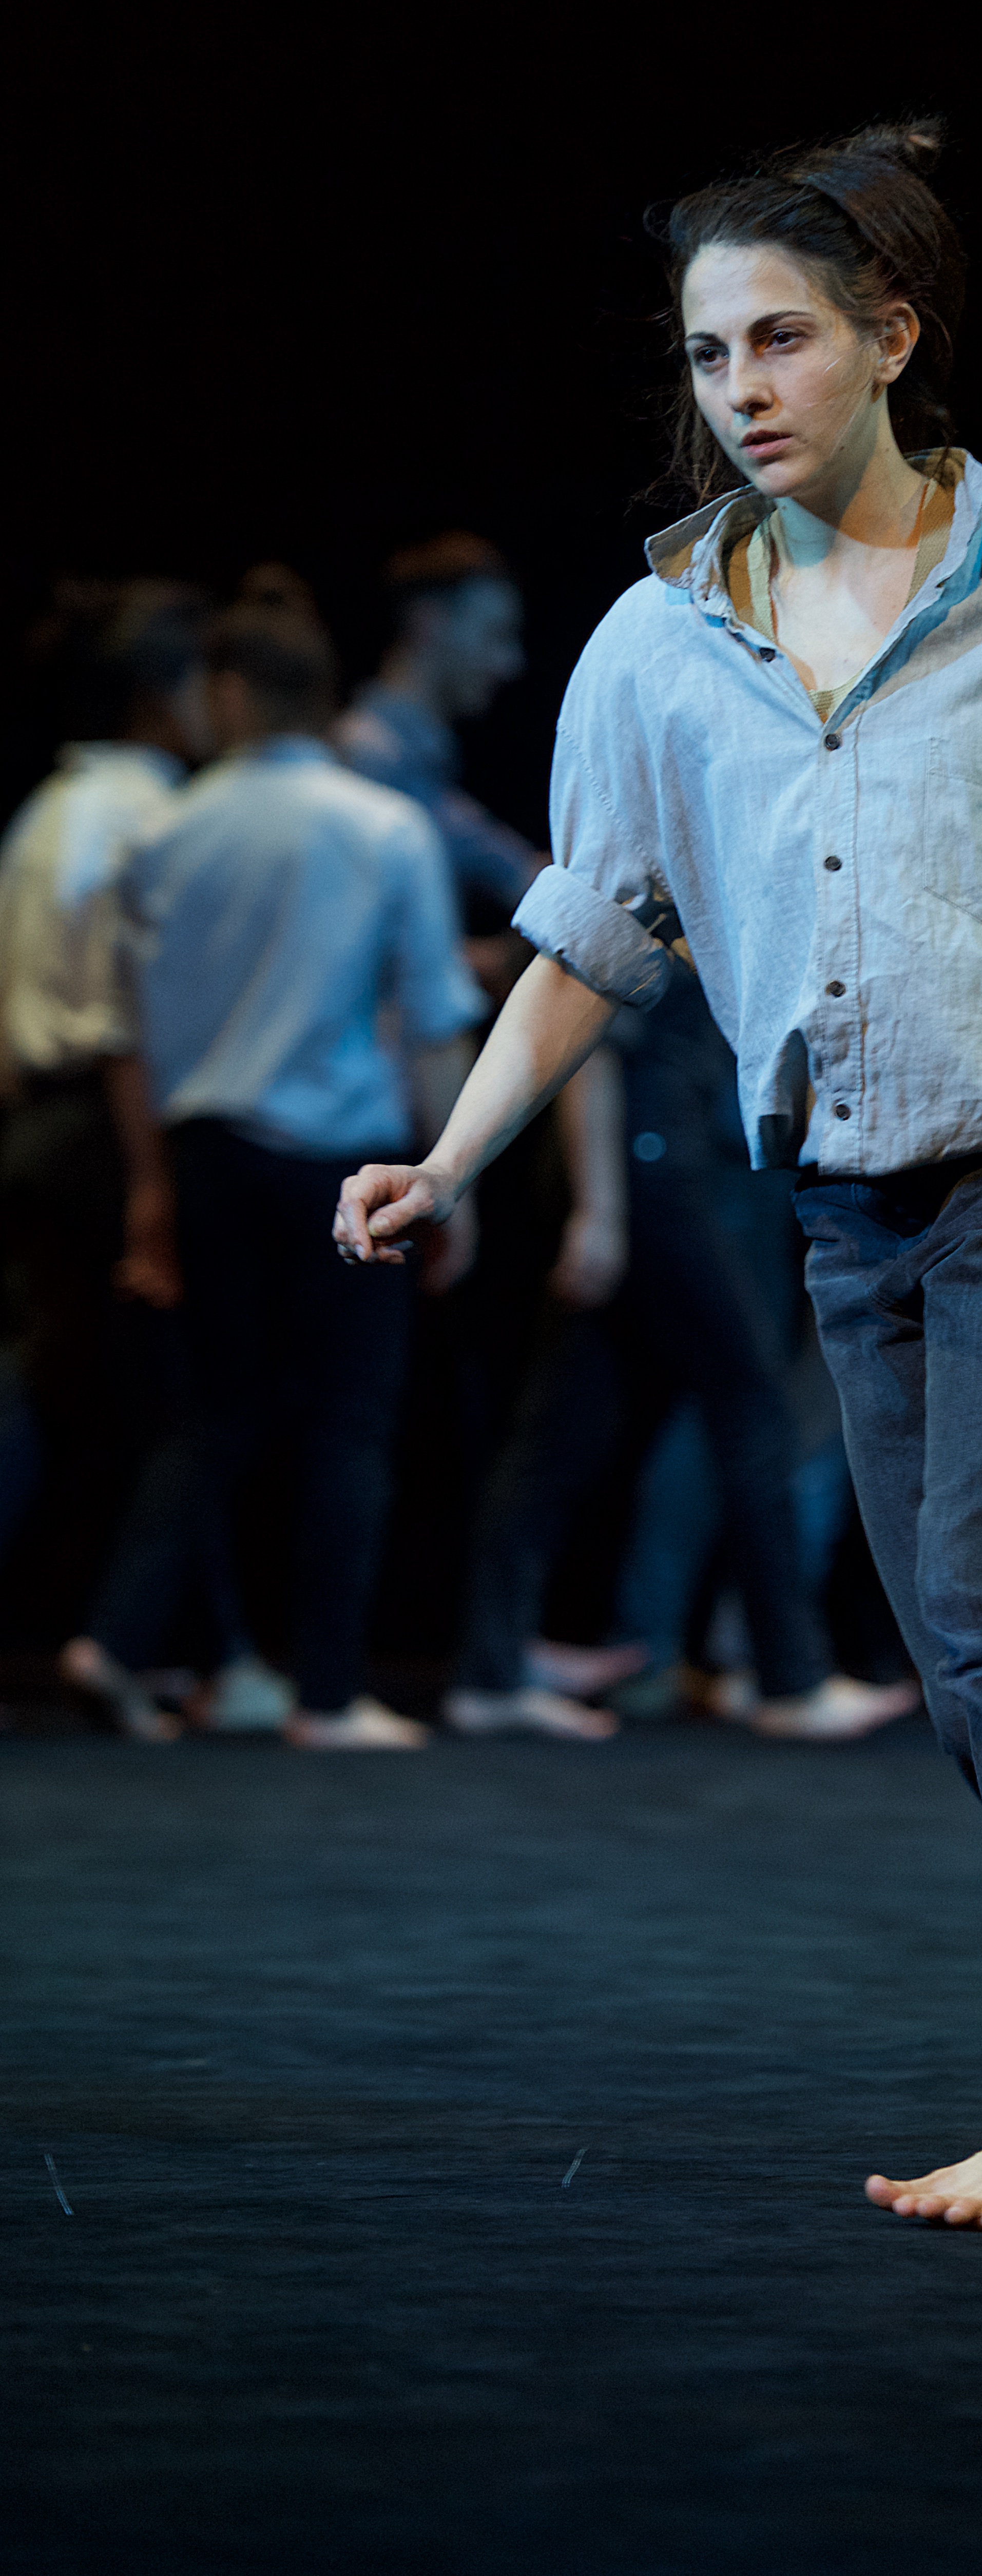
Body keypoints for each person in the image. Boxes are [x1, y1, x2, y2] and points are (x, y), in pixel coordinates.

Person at [336, 122, 982, 2229]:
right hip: (845, 1197)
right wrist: (451, 1155)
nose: (739, 386)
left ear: (891, 338)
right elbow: (595, 933)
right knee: (964, 1667)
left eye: (782, 338)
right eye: (707, 350)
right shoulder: (660, 644)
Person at [67, 590, 486, 1748]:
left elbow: (127, 1038)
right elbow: (433, 1018)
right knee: (349, 1423)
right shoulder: (380, 825)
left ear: (231, 692)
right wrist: (454, 1180)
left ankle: (116, 1635)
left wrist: (150, 1189)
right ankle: (329, 1695)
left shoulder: (163, 834)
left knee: (214, 1416)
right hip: (338, 1161)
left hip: (203, 1154)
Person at [442, 962, 919, 1742]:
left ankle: (491, 1669)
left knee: (567, 1428)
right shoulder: (654, 911)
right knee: (751, 1409)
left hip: (666, 1164)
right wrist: (599, 1212)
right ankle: (789, 1678)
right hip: (655, 1171)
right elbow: (588, 1048)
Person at [0, 580, 270, 1736]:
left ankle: (198, 1649)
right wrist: (153, 1186)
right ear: (167, 693)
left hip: (37, 1125)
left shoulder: (45, 811)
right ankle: (152, 1646)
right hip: (112, 1131)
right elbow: (127, 1022)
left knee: (71, 1389)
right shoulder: (152, 813)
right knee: (188, 1403)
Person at [335, 531, 547, 965]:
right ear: (429, 622)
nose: (511, 662)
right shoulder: (367, 757)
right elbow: (354, 943)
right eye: (495, 635)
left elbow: (507, 865)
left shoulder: (415, 759)